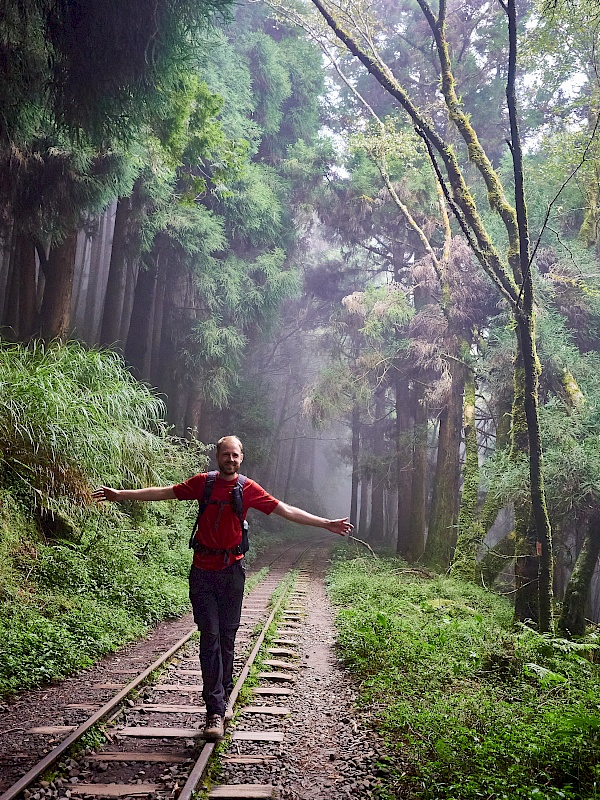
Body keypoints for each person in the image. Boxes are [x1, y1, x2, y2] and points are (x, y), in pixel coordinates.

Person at [92, 434, 353, 740]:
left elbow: (286, 510)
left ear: (242, 458)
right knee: (210, 637)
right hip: (202, 572)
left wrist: (326, 523)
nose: (231, 460)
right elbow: (164, 492)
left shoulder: (247, 488)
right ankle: (214, 710)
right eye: (226, 454)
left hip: (232, 572)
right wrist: (121, 495)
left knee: (227, 638)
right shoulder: (203, 483)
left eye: (236, 455)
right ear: (217, 456)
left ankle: (222, 697)